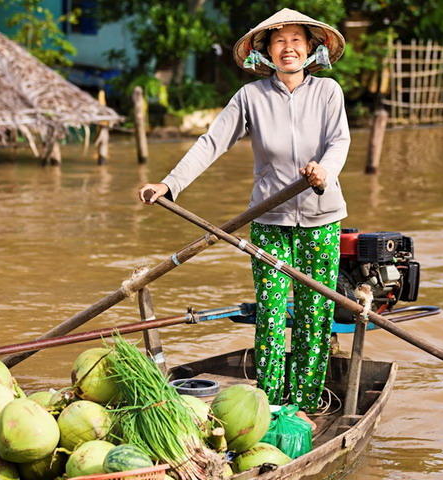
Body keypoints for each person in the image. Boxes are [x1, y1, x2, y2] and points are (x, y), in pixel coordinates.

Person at [138, 8, 349, 422]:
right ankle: (267, 404)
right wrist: (169, 184)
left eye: (296, 40)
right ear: (267, 51)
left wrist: (324, 172)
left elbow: (338, 141)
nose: (288, 48)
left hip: (321, 217)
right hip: (269, 221)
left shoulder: (328, 92)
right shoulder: (251, 97)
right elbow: (211, 142)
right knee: (270, 311)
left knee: (315, 310)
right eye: (279, 41)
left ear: (310, 48)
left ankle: (305, 405)